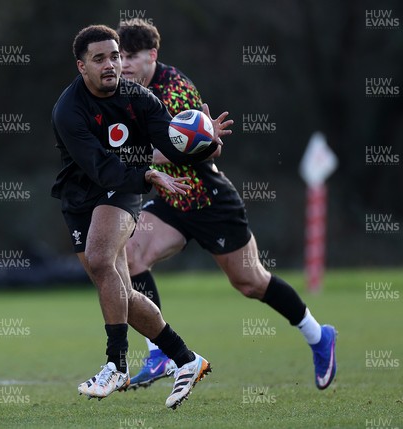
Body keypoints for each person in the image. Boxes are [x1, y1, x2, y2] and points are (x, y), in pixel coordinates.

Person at [117, 20, 337, 391]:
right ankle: (159, 351)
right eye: (119, 57)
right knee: (131, 256)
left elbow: (202, 147)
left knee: (250, 282)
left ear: (152, 55)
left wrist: (192, 143)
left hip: (211, 201)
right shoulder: (126, 92)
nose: (123, 65)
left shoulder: (176, 91)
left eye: (131, 57)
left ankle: (319, 336)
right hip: (172, 199)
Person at [51, 25, 233, 409]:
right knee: (120, 290)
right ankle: (186, 358)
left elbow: (170, 142)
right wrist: (147, 174)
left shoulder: (140, 98)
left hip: (123, 190)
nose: (111, 64)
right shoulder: (68, 110)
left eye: (115, 56)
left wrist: (201, 142)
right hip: (83, 196)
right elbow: (98, 166)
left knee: (102, 262)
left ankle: (116, 364)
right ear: (81, 66)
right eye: (99, 59)